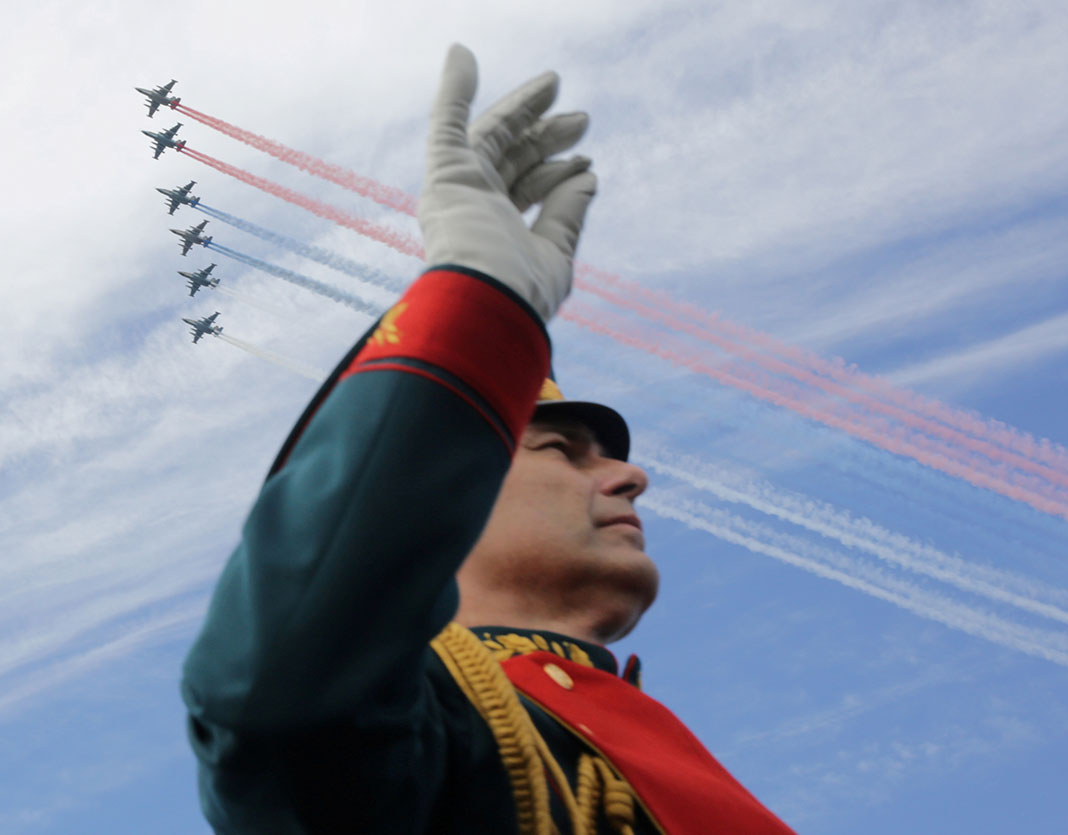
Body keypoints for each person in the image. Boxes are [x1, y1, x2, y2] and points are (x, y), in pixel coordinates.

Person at [182, 44, 795, 834]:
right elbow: (275, 698)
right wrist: (478, 296)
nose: (630, 476)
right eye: (557, 450)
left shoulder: (639, 751)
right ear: (442, 495)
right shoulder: (435, 744)